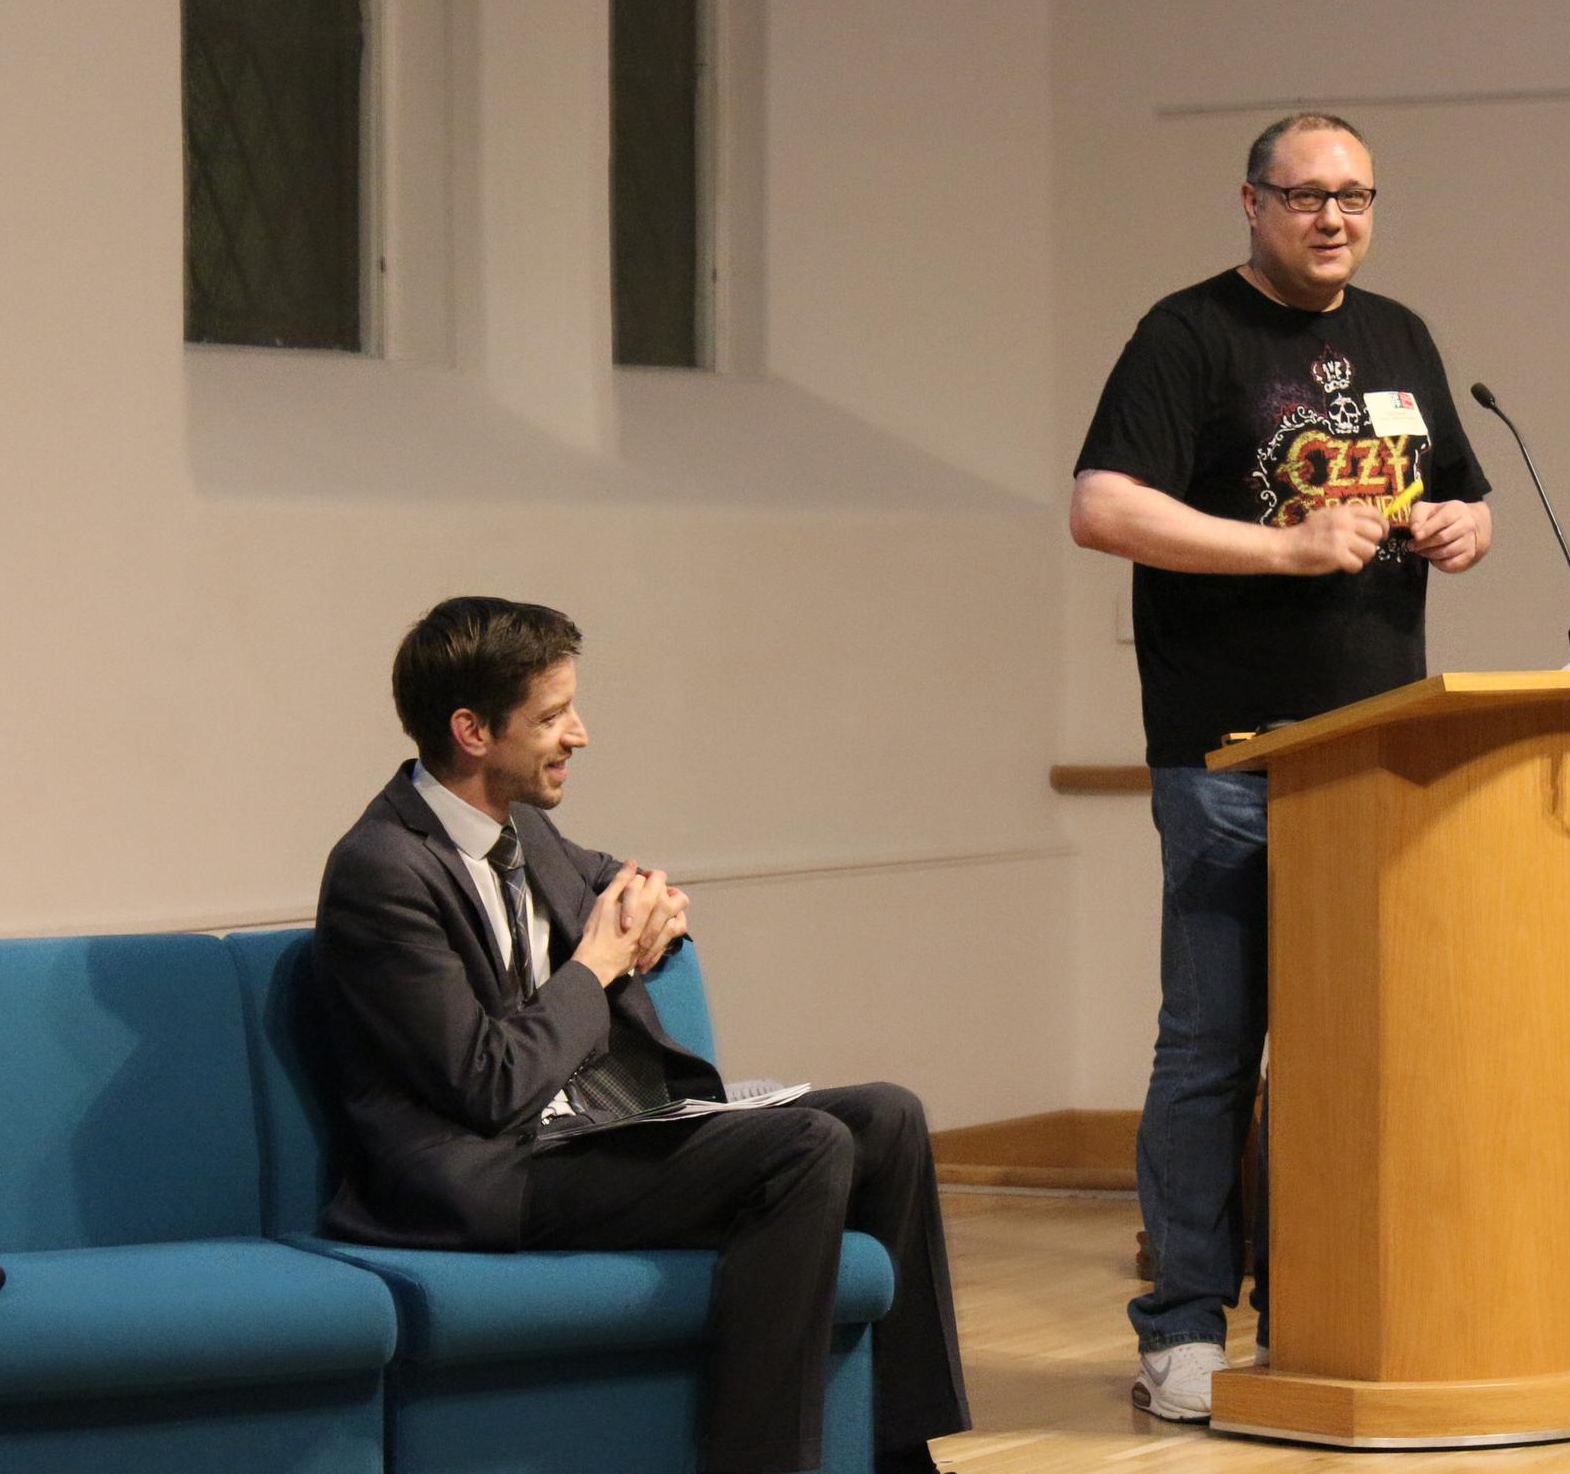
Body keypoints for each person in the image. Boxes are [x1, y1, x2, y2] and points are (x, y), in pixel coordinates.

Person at [311, 596, 968, 1474]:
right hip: (485, 1172)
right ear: (472, 730)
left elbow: (616, 881)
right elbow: (488, 1086)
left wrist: (654, 905)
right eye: (551, 716)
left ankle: (894, 1456)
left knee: (887, 1118)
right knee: (801, 1148)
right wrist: (599, 963)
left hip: (578, 1137)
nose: (577, 734)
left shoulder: (523, 831)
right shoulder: (383, 867)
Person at [1069, 113, 1494, 1422]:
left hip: (1376, 762)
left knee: (1350, 1048)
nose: (1333, 219)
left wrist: (1462, 523)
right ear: (1250, 203)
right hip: (1228, 757)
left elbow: (1462, 490)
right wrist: (1282, 551)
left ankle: (1326, 1312)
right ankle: (1185, 1326)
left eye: (1355, 196)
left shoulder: (1402, 335)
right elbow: (1103, 505)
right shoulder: (1186, 336)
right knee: (1213, 1043)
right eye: (1306, 196)